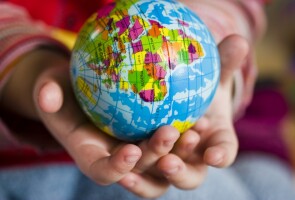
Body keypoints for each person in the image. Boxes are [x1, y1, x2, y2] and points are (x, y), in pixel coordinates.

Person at [1, 0, 295, 199]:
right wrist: (27, 70)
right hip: (18, 161)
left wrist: (208, 49)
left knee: (271, 183)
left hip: (175, 146)